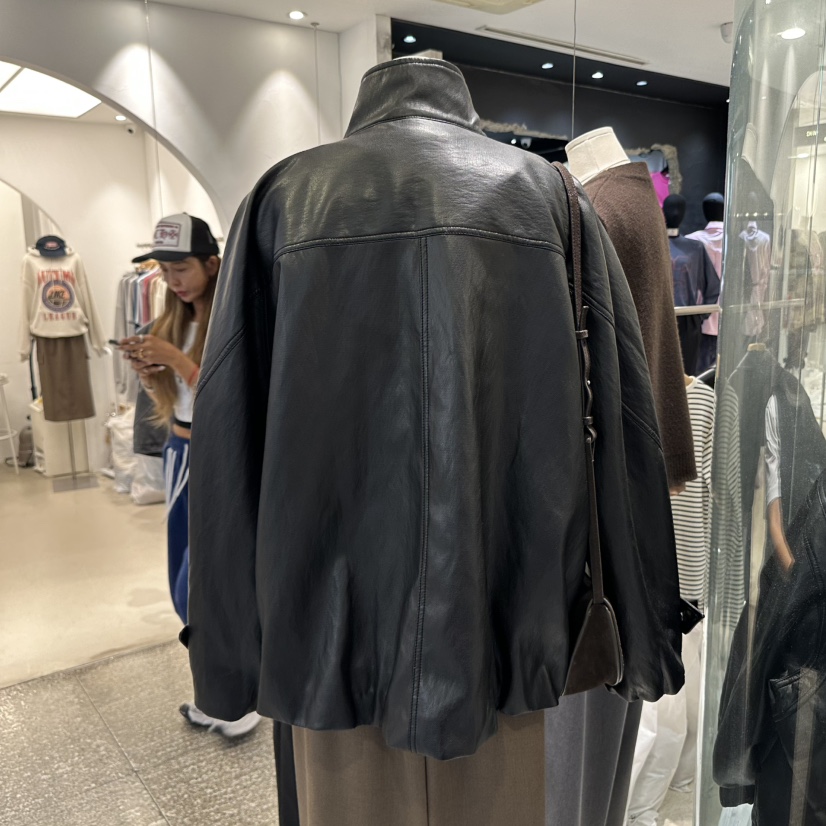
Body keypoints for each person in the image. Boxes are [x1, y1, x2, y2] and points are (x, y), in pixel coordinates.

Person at [120, 213, 260, 739]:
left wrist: (176, 360)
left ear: (212, 264)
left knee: (207, 583)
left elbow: (231, 397)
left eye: (180, 268)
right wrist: (151, 371)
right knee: (182, 581)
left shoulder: (233, 321)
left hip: (218, 459)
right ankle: (222, 691)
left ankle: (241, 699)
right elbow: (175, 400)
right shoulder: (173, 323)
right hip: (181, 452)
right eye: (164, 270)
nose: (171, 279)